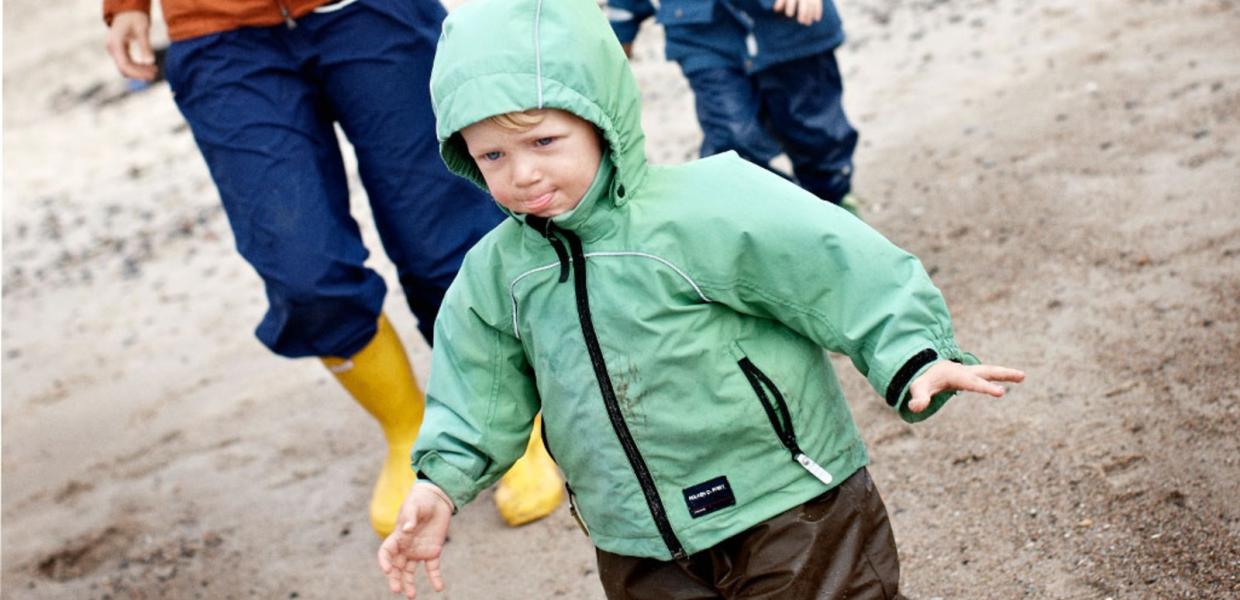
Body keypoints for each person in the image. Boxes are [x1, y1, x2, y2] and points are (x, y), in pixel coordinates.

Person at [377, 0, 1025, 597]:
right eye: (491, 155)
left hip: (789, 503)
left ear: (602, 118)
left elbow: (838, 264)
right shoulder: (497, 277)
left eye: (545, 141)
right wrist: (441, 484)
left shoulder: (706, 206)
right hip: (635, 540)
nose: (522, 174)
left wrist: (915, 351)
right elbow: (476, 390)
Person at [101, 0, 564, 536]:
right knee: (305, 277)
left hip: (369, 13)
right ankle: (406, 432)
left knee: (445, 246)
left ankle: (506, 424)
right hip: (219, 34)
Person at [606, 0, 861, 212]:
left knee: (816, 135)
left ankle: (834, 201)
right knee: (731, 141)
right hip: (702, 34)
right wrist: (619, 31)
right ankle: (785, 213)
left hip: (790, 27)